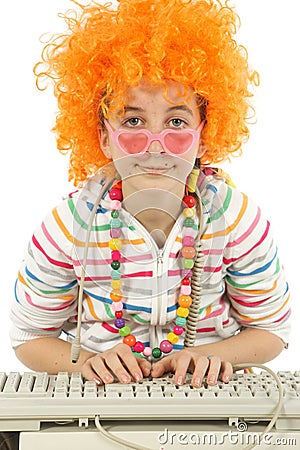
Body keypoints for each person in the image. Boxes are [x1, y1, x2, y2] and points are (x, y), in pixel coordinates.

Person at [10, 0, 291, 395]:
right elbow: (27, 334)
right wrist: (88, 362)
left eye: (176, 122)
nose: (154, 146)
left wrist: (218, 355)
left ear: (203, 135)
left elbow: (272, 330)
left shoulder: (236, 218)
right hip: (101, 401)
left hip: (211, 401)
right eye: (133, 121)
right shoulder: (68, 224)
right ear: (104, 136)